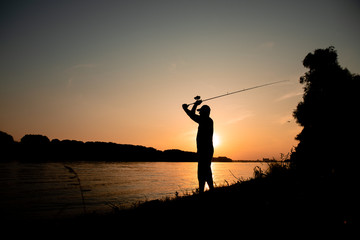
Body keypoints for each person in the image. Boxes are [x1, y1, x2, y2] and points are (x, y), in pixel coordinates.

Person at [182, 100, 214, 193]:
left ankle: (203, 191)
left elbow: (192, 115)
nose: (199, 113)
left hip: (205, 150)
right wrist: (191, 107)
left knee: (203, 171)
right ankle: (207, 190)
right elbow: (193, 115)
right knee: (206, 170)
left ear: (205, 112)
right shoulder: (207, 120)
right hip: (205, 149)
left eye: (201, 112)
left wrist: (192, 106)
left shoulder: (206, 120)